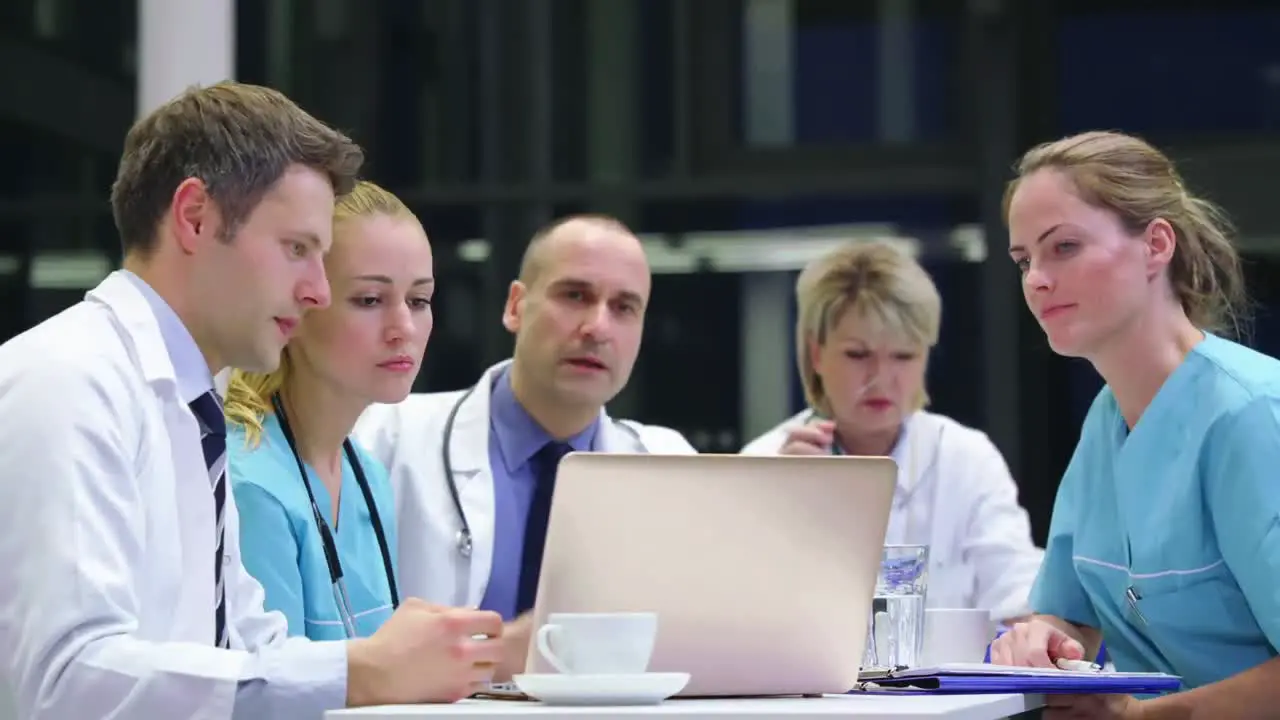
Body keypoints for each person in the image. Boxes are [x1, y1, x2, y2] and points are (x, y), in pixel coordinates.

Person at [0, 82, 502, 720]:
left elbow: (247, 643)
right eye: (298, 249)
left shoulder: (190, 409)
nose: (318, 290)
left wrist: (389, 667)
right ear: (195, 218)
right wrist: (361, 670)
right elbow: (66, 681)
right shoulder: (68, 382)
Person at [991, 130, 1280, 719]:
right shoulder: (1106, 422)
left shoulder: (1251, 416)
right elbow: (1072, 614)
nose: (1036, 280)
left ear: (1155, 245)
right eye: (1024, 260)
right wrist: (1040, 637)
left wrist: (1141, 718)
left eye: (1063, 247)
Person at [353, 214, 696, 677]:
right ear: (516, 306)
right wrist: (496, 654)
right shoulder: (385, 435)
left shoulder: (670, 466)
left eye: (624, 307)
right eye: (575, 295)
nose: (598, 327)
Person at [741, 241, 1043, 622]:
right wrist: (782, 511)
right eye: (858, 354)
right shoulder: (765, 464)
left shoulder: (966, 459)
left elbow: (1019, 596)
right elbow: (739, 620)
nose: (880, 379)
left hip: (952, 684)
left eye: (903, 356)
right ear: (817, 354)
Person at [224, 181, 433, 641]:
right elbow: (270, 697)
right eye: (370, 300)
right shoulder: (249, 485)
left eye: (419, 300)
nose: (404, 328)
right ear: (299, 305)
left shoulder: (368, 474)